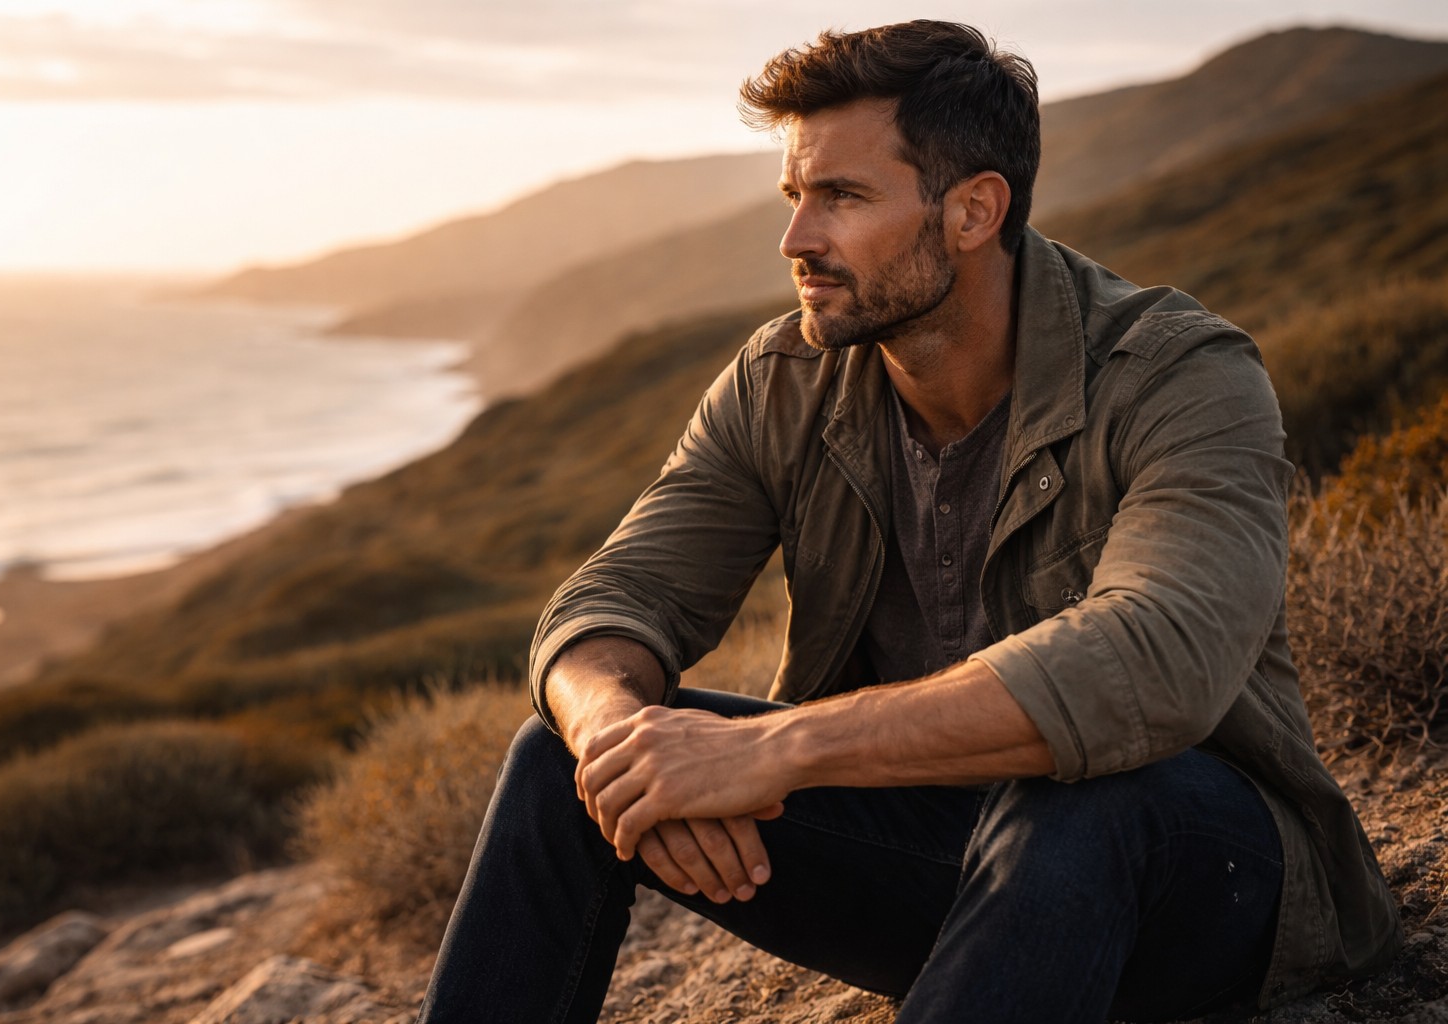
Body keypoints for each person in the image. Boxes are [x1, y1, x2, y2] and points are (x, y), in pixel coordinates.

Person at [417, 20, 1400, 1023]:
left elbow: (1159, 657)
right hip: (945, 862)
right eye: (794, 197)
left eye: (842, 197)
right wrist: (622, 744)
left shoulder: (1178, 375)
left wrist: (778, 748)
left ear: (973, 210)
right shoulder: (782, 382)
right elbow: (614, 598)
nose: (797, 240)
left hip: (1204, 880)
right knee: (559, 756)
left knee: (1085, 794)